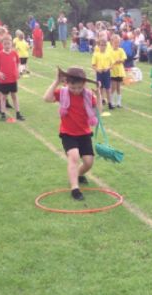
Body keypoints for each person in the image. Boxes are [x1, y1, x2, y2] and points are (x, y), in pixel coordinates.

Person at [43, 67, 102, 201]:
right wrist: (56, 82)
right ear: (66, 83)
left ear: (84, 85)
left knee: (88, 162)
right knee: (74, 157)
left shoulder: (87, 95)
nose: (76, 90)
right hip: (68, 133)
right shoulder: (63, 93)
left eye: (79, 87)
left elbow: (98, 112)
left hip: (84, 133)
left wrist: (98, 95)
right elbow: (46, 98)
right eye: (73, 87)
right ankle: (75, 188)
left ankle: (78, 174)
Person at [0, 34, 24, 121]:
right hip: (4, 80)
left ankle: (18, 113)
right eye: (5, 44)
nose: (7, 46)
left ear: (11, 43)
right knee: (3, 97)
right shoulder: (0, 54)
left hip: (13, 79)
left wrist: (19, 71)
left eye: (8, 43)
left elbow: (18, 63)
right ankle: (3, 114)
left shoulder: (14, 53)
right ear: (2, 44)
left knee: (14, 96)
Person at [91, 39, 112, 108]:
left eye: (104, 45)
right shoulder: (96, 54)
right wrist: (97, 69)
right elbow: (93, 65)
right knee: (100, 88)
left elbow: (111, 64)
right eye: (101, 45)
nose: (102, 47)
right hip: (99, 73)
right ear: (98, 46)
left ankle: (110, 103)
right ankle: (101, 101)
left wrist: (108, 68)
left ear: (106, 46)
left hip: (106, 73)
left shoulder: (108, 54)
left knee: (108, 88)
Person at [110, 34, 126, 108]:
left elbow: (123, 59)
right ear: (112, 42)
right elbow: (111, 61)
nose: (116, 44)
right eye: (115, 42)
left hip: (119, 71)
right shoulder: (110, 51)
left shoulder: (121, 50)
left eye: (118, 42)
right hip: (113, 71)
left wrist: (119, 60)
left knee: (119, 87)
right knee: (113, 87)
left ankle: (119, 102)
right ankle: (112, 101)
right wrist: (116, 61)